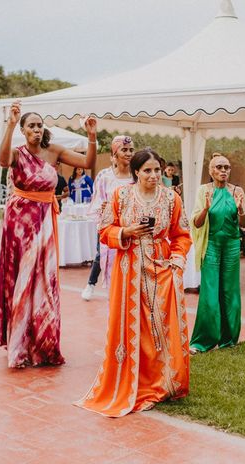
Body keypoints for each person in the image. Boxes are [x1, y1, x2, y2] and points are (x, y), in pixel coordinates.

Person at [76, 148, 192, 416]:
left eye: (157, 171)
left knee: (157, 328)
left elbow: (181, 234)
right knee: (132, 326)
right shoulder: (121, 196)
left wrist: (177, 260)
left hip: (161, 272)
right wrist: (125, 232)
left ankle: (159, 382)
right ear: (136, 172)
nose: (153, 176)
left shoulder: (171, 198)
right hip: (128, 271)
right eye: (147, 171)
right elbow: (104, 231)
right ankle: (131, 381)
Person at [0, 101, 97, 368]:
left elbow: (88, 162)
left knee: (44, 279)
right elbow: (2, 161)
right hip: (19, 223)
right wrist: (9, 125)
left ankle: (42, 342)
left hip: (44, 222)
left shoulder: (53, 151)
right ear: (23, 130)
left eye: (40, 125)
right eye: (31, 125)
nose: (37, 129)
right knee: (22, 279)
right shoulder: (17, 154)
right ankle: (19, 343)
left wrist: (91, 137)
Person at [189, 153, 245, 353]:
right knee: (210, 293)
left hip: (231, 246)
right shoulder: (203, 191)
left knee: (230, 292)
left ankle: (229, 338)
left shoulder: (237, 191)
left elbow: (244, 224)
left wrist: (241, 210)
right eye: (219, 167)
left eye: (227, 167)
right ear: (211, 171)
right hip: (211, 244)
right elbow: (196, 223)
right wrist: (205, 209)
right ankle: (202, 342)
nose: (223, 171)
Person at [80, 136, 134, 301]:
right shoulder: (104, 176)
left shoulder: (137, 176)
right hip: (109, 227)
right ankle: (92, 284)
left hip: (131, 229)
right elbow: (97, 203)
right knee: (102, 256)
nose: (129, 153)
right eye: (124, 150)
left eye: (131, 150)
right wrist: (104, 210)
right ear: (114, 153)